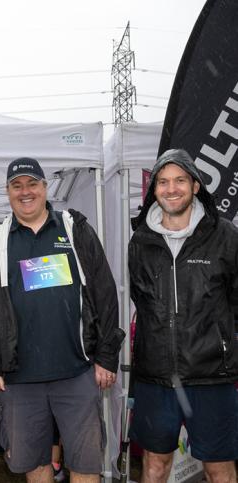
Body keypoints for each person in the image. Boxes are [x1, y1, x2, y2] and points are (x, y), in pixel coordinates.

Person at [0, 157, 124, 482]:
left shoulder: (73, 228)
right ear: (8, 192)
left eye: (32, 184)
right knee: (34, 463)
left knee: (85, 463)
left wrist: (107, 356)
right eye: (17, 186)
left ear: (45, 186)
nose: (25, 192)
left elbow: (105, 294)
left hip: (78, 374)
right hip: (20, 379)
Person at [128, 149, 238, 483]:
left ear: (194, 185)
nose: (171, 188)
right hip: (156, 378)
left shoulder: (225, 236)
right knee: (154, 464)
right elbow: (141, 299)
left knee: (218, 468)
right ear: (154, 190)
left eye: (179, 180)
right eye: (162, 182)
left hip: (211, 376)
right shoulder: (141, 241)